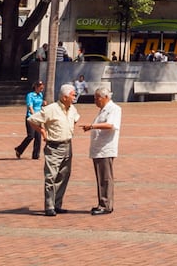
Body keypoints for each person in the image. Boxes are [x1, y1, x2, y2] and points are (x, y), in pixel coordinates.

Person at [28, 82, 80, 216]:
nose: (75, 97)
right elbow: (32, 119)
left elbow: (75, 119)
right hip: (54, 146)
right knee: (51, 176)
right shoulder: (51, 109)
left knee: (64, 175)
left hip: (68, 145)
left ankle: (57, 204)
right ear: (64, 97)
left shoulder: (72, 108)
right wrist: (43, 132)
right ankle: (49, 205)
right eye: (73, 95)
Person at [80, 86, 121, 214]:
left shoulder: (114, 109)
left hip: (105, 149)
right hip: (99, 149)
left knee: (105, 178)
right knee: (100, 177)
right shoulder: (103, 110)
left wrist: (92, 126)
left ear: (106, 98)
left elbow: (110, 125)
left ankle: (106, 205)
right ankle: (102, 202)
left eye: (97, 98)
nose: (96, 101)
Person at [15, 80, 46, 160]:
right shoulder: (30, 95)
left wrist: (43, 104)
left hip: (38, 118)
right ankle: (19, 149)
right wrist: (34, 115)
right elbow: (30, 106)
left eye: (42, 87)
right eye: (40, 87)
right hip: (31, 118)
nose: (42, 89)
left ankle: (36, 155)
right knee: (31, 136)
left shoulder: (40, 95)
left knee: (38, 137)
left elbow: (40, 105)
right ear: (36, 87)